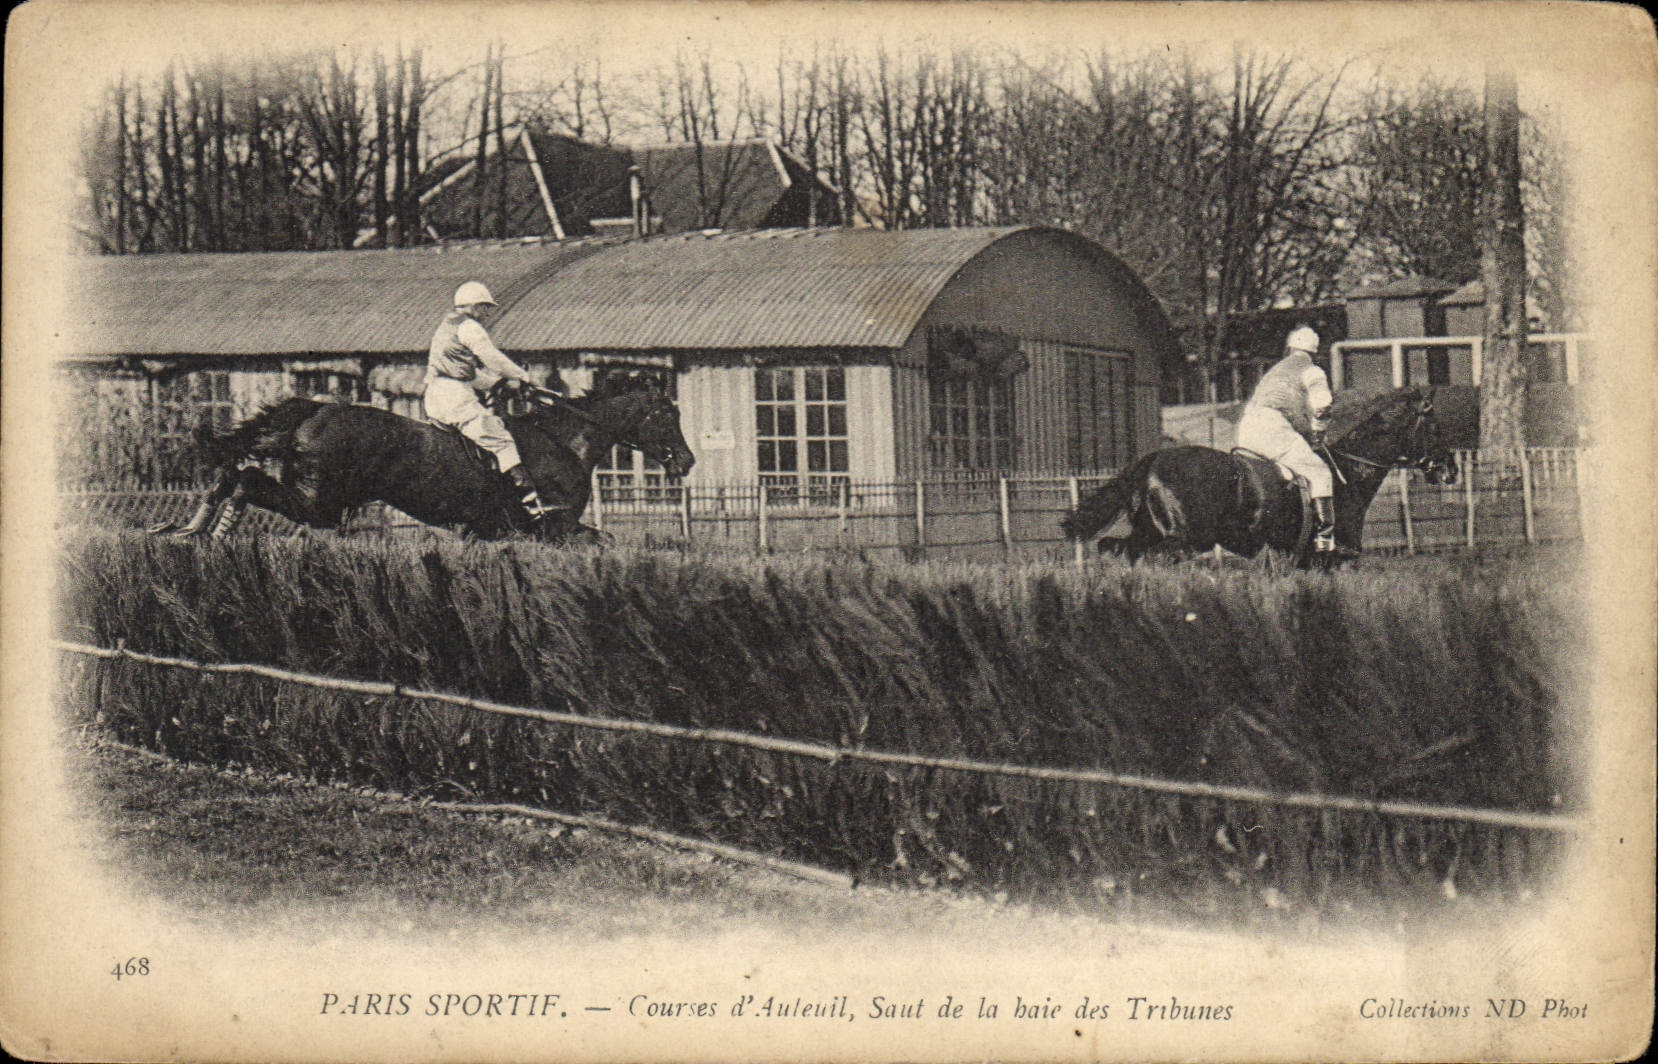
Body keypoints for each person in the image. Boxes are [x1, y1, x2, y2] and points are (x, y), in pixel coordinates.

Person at [424, 281, 557, 523]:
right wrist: (521, 376)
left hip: (436, 395)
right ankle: (532, 505)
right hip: (455, 397)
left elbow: (467, 373)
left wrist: (496, 384)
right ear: (473, 306)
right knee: (502, 441)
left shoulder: (446, 326)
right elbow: (492, 357)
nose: (487, 313)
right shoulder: (469, 326)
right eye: (485, 307)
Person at [1235, 325, 1343, 553]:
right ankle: (1325, 542)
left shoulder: (1275, 370)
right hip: (1274, 430)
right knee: (1320, 473)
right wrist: (1318, 432)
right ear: (1314, 352)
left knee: (1282, 473)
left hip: (1247, 429)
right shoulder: (1313, 371)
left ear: (1290, 349)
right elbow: (1323, 406)